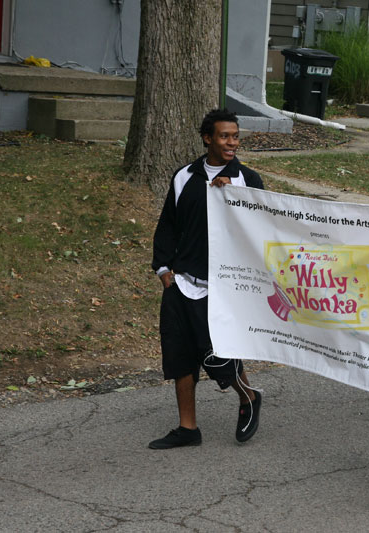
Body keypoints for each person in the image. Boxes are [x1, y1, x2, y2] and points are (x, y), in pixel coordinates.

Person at [149, 108, 264, 449]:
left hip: (223, 287)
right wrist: (163, 269)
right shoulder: (184, 176)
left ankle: (248, 397)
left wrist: (234, 199)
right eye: (225, 136)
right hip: (181, 281)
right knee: (179, 356)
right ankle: (188, 428)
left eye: (235, 136)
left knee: (219, 357)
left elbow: (259, 229)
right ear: (208, 138)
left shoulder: (247, 180)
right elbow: (168, 223)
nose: (232, 142)